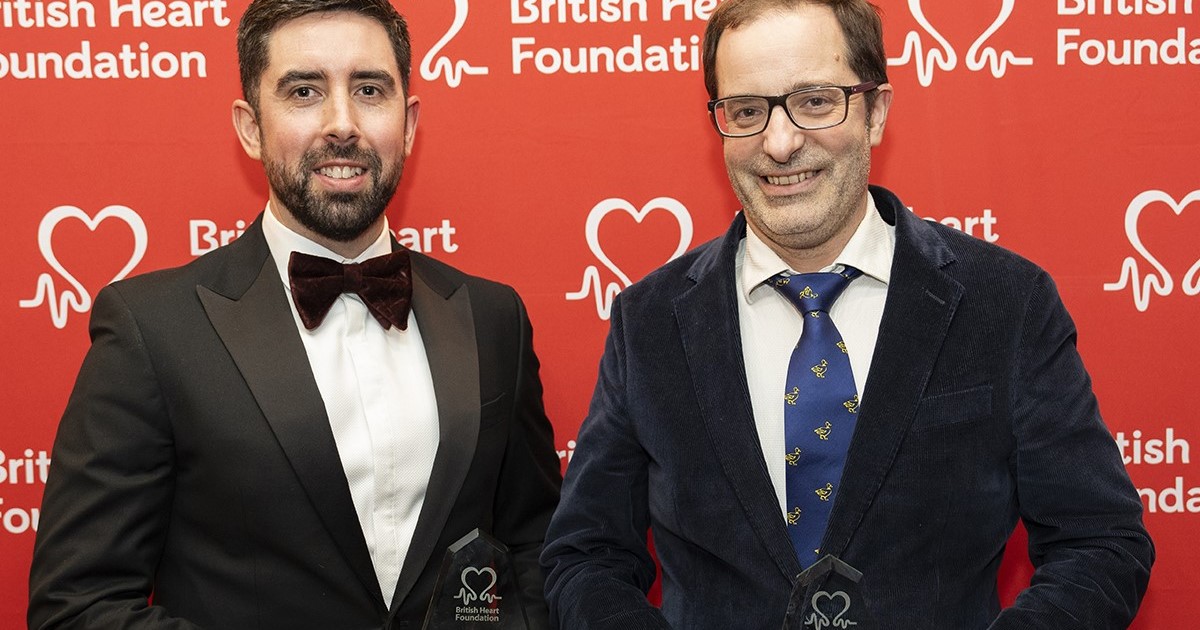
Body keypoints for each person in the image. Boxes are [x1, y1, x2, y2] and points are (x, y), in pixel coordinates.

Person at [540, 1, 1153, 628]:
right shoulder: (650, 322)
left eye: (814, 101)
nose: (779, 144)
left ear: (876, 112)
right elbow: (586, 556)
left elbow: (1100, 542)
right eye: (747, 111)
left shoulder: (1006, 303)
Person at [27, 0, 561, 627]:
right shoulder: (152, 328)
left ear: (409, 122)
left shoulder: (493, 317)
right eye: (304, 91)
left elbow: (536, 549)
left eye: (370, 89)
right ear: (250, 126)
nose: (343, 124)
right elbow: (77, 606)